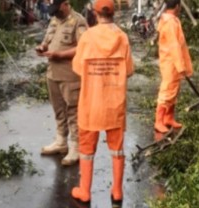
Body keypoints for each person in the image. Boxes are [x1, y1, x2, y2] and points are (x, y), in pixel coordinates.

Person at [70, 0, 133, 206]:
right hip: (115, 103)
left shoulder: (88, 37)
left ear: (95, 13)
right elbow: (129, 70)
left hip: (91, 104)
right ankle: (117, 190)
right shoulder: (122, 37)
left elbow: (78, 68)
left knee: (87, 149)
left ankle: (85, 191)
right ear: (114, 13)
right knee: (117, 149)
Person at [35, 0, 88, 166]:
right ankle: (61, 141)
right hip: (53, 73)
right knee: (58, 110)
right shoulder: (54, 19)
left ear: (66, 3)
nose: (55, 13)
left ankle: (76, 146)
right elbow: (48, 38)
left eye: (57, 9)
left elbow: (84, 47)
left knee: (73, 111)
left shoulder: (78, 21)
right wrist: (42, 47)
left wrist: (61, 55)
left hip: (70, 75)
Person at [154, 0, 193, 133]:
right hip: (171, 63)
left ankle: (168, 118)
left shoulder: (172, 20)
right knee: (167, 91)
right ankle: (158, 121)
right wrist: (180, 66)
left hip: (173, 62)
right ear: (177, 6)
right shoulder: (170, 22)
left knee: (174, 91)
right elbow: (174, 46)